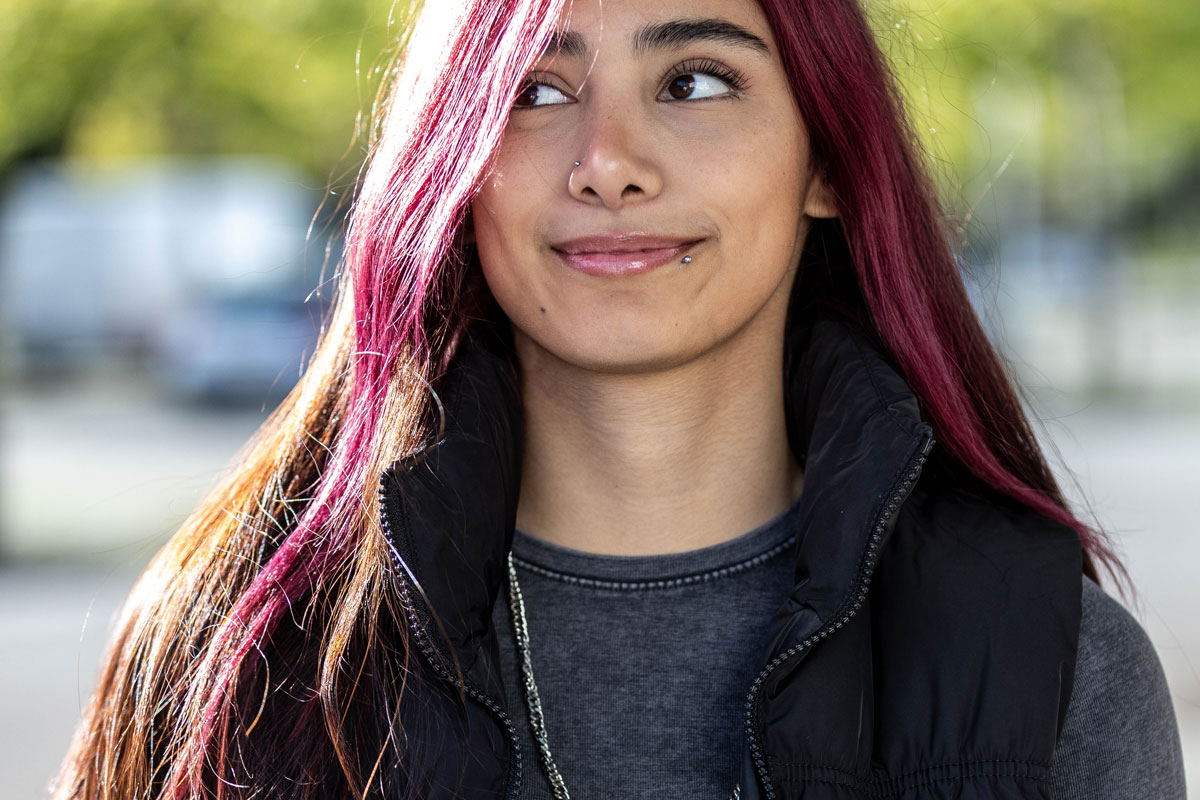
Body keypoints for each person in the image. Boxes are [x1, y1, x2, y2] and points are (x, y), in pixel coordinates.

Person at [55, 0, 1186, 798]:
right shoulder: (232, 651)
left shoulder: (1056, 669)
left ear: (827, 159)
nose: (608, 160)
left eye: (695, 79)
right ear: (458, 164)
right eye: (536, 91)